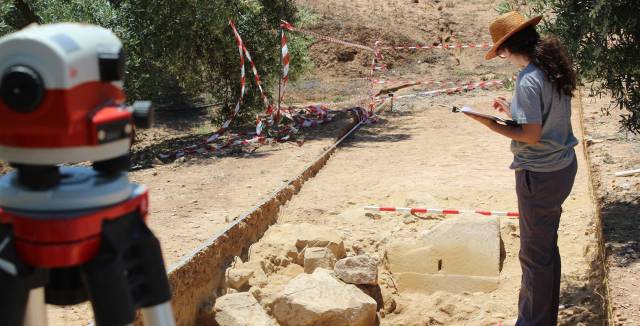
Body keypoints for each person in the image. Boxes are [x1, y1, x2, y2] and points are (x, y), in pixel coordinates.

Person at [464, 11, 579, 326]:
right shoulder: (549, 69)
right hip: (561, 167)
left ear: (508, 47)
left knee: (533, 256)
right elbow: (543, 118)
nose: (501, 57)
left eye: (500, 51)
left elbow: (530, 135)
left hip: (539, 175)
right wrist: (511, 110)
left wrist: (487, 122)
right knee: (545, 249)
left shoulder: (529, 79)